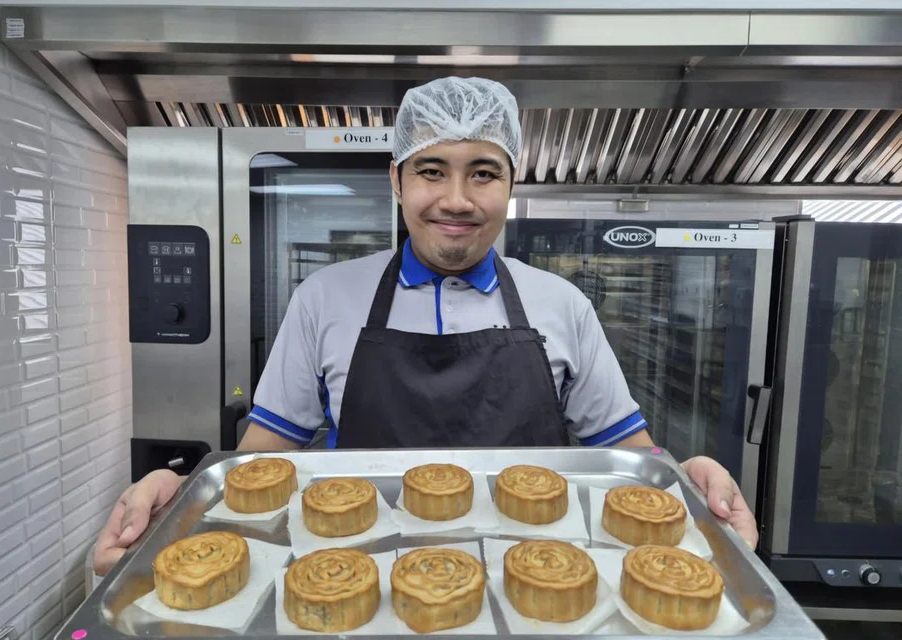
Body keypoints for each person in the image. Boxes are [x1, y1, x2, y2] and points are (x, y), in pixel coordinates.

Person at [94, 77, 758, 576]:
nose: (457, 200)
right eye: (432, 171)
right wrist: (184, 492)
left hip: (536, 586)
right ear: (396, 180)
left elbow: (629, 458)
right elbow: (264, 461)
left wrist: (687, 473)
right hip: (357, 582)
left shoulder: (562, 305)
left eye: (484, 174)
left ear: (510, 186)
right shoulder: (326, 298)